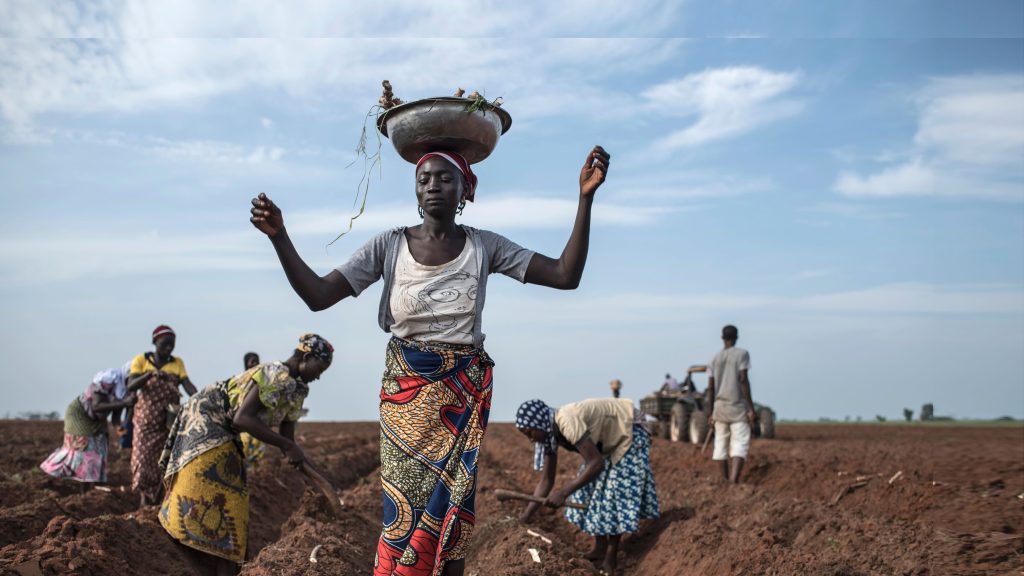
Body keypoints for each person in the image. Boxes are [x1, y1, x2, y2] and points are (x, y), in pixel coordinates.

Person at [250, 145, 610, 576]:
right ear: (415, 191)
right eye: (424, 179)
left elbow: (565, 275)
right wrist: (280, 238)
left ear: (464, 190)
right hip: (406, 400)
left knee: (454, 514)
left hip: (460, 398)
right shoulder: (388, 245)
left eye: (444, 178)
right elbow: (318, 295)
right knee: (401, 512)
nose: (433, 185)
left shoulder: (484, 246)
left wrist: (585, 198)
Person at [158, 334, 334, 575]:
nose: (320, 375)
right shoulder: (275, 374)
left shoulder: (297, 390)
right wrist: (286, 445)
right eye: (320, 367)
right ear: (306, 357)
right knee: (209, 482)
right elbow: (243, 417)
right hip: (208, 417)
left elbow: (289, 444)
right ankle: (182, 536)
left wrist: (319, 480)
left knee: (234, 493)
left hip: (227, 428)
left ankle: (220, 559)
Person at [516, 398, 659, 576]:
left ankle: (611, 558)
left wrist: (563, 493)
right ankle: (600, 547)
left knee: (614, 493)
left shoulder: (566, 421)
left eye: (529, 432)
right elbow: (546, 480)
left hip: (629, 428)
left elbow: (595, 463)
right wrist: (525, 517)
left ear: (538, 422)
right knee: (587, 490)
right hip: (606, 441)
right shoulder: (549, 436)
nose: (530, 439)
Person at [127, 325, 197, 506]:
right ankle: (144, 502)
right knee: (142, 461)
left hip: (168, 422)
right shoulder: (142, 360)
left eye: (172, 344)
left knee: (163, 462)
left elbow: (187, 385)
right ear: (154, 341)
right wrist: (150, 375)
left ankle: (158, 505)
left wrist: (199, 399)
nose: (169, 347)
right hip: (146, 421)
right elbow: (131, 384)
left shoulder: (177, 363)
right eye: (165, 343)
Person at [40, 364, 136, 489]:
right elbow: (97, 405)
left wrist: (119, 427)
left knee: (101, 445)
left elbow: (115, 416)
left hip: (97, 418)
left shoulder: (125, 391)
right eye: (134, 377)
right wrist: (124, 403)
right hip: (81, 414)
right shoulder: (108, 379)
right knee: (83, 447)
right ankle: (61, 479)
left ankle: (91, 485)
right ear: (128, 375)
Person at [706, 324, 755, 484]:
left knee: (720, 444)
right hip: (737, 407)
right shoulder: (742, 354)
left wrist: (710, 412)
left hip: (719, 408)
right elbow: (743, 379)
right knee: (739, 444)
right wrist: (750, 407)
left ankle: (725, 480)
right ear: (737, 337)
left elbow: (711, 388)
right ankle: (733, 481)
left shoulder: (714, 358)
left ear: (722, 338)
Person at [240, 351, 266, 468]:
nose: (255, 364)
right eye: (252, 361)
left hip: (257, 422)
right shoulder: (241, 381)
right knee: (243, 449)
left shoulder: (263, 382)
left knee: (258, 450)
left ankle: (254, 475)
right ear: (246, 364)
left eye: (257, 361)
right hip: (244, 424)